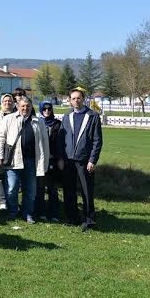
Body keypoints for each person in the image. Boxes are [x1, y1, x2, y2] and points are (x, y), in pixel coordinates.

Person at [0, 96, 49, 224]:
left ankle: (28, 213)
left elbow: (45, 144)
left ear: (31, 107)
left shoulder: (38, 122)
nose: (25, 108)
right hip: (13, 161)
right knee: (12, 188)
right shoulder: (9, 119)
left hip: (31, 161)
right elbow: (0, 138)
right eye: (23, 106)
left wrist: (44, 162)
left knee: (30, 190)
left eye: (28, 106)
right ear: (18, 106)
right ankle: (13, 211)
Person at [58, 88, 103, 232]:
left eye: (78, 98)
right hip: (68, 161)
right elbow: (60, 139)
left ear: (83, 99)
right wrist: (60, 158)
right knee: (69, 190)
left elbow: (97, 140)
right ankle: (72, 217)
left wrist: (92, 160)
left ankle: (89, 220)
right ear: (69, 100)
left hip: (84, 161)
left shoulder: (92, 116)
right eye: (73, 98)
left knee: (86, 191)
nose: (76, 101)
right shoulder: (67, 117)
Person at [35, 101, 63, 222]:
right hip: (40, 160)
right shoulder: (37, 122)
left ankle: (54, 213)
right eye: (44, 109)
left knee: (52, 189)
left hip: (53, 160)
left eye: (49, 109)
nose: (47, 111)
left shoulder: (58, 124)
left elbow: (62, 143)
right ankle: (40, 212)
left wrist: (60, 158)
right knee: (40, 188)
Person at [0, 93, 15, 210]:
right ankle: (2, 200)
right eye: (5, 101)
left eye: (9, 101)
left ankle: (12, 200)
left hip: (14, 152)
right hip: (0, 149)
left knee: (13, 177)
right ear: (1, 103)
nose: (7, 103)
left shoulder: (18, 115)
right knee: (0, 176)